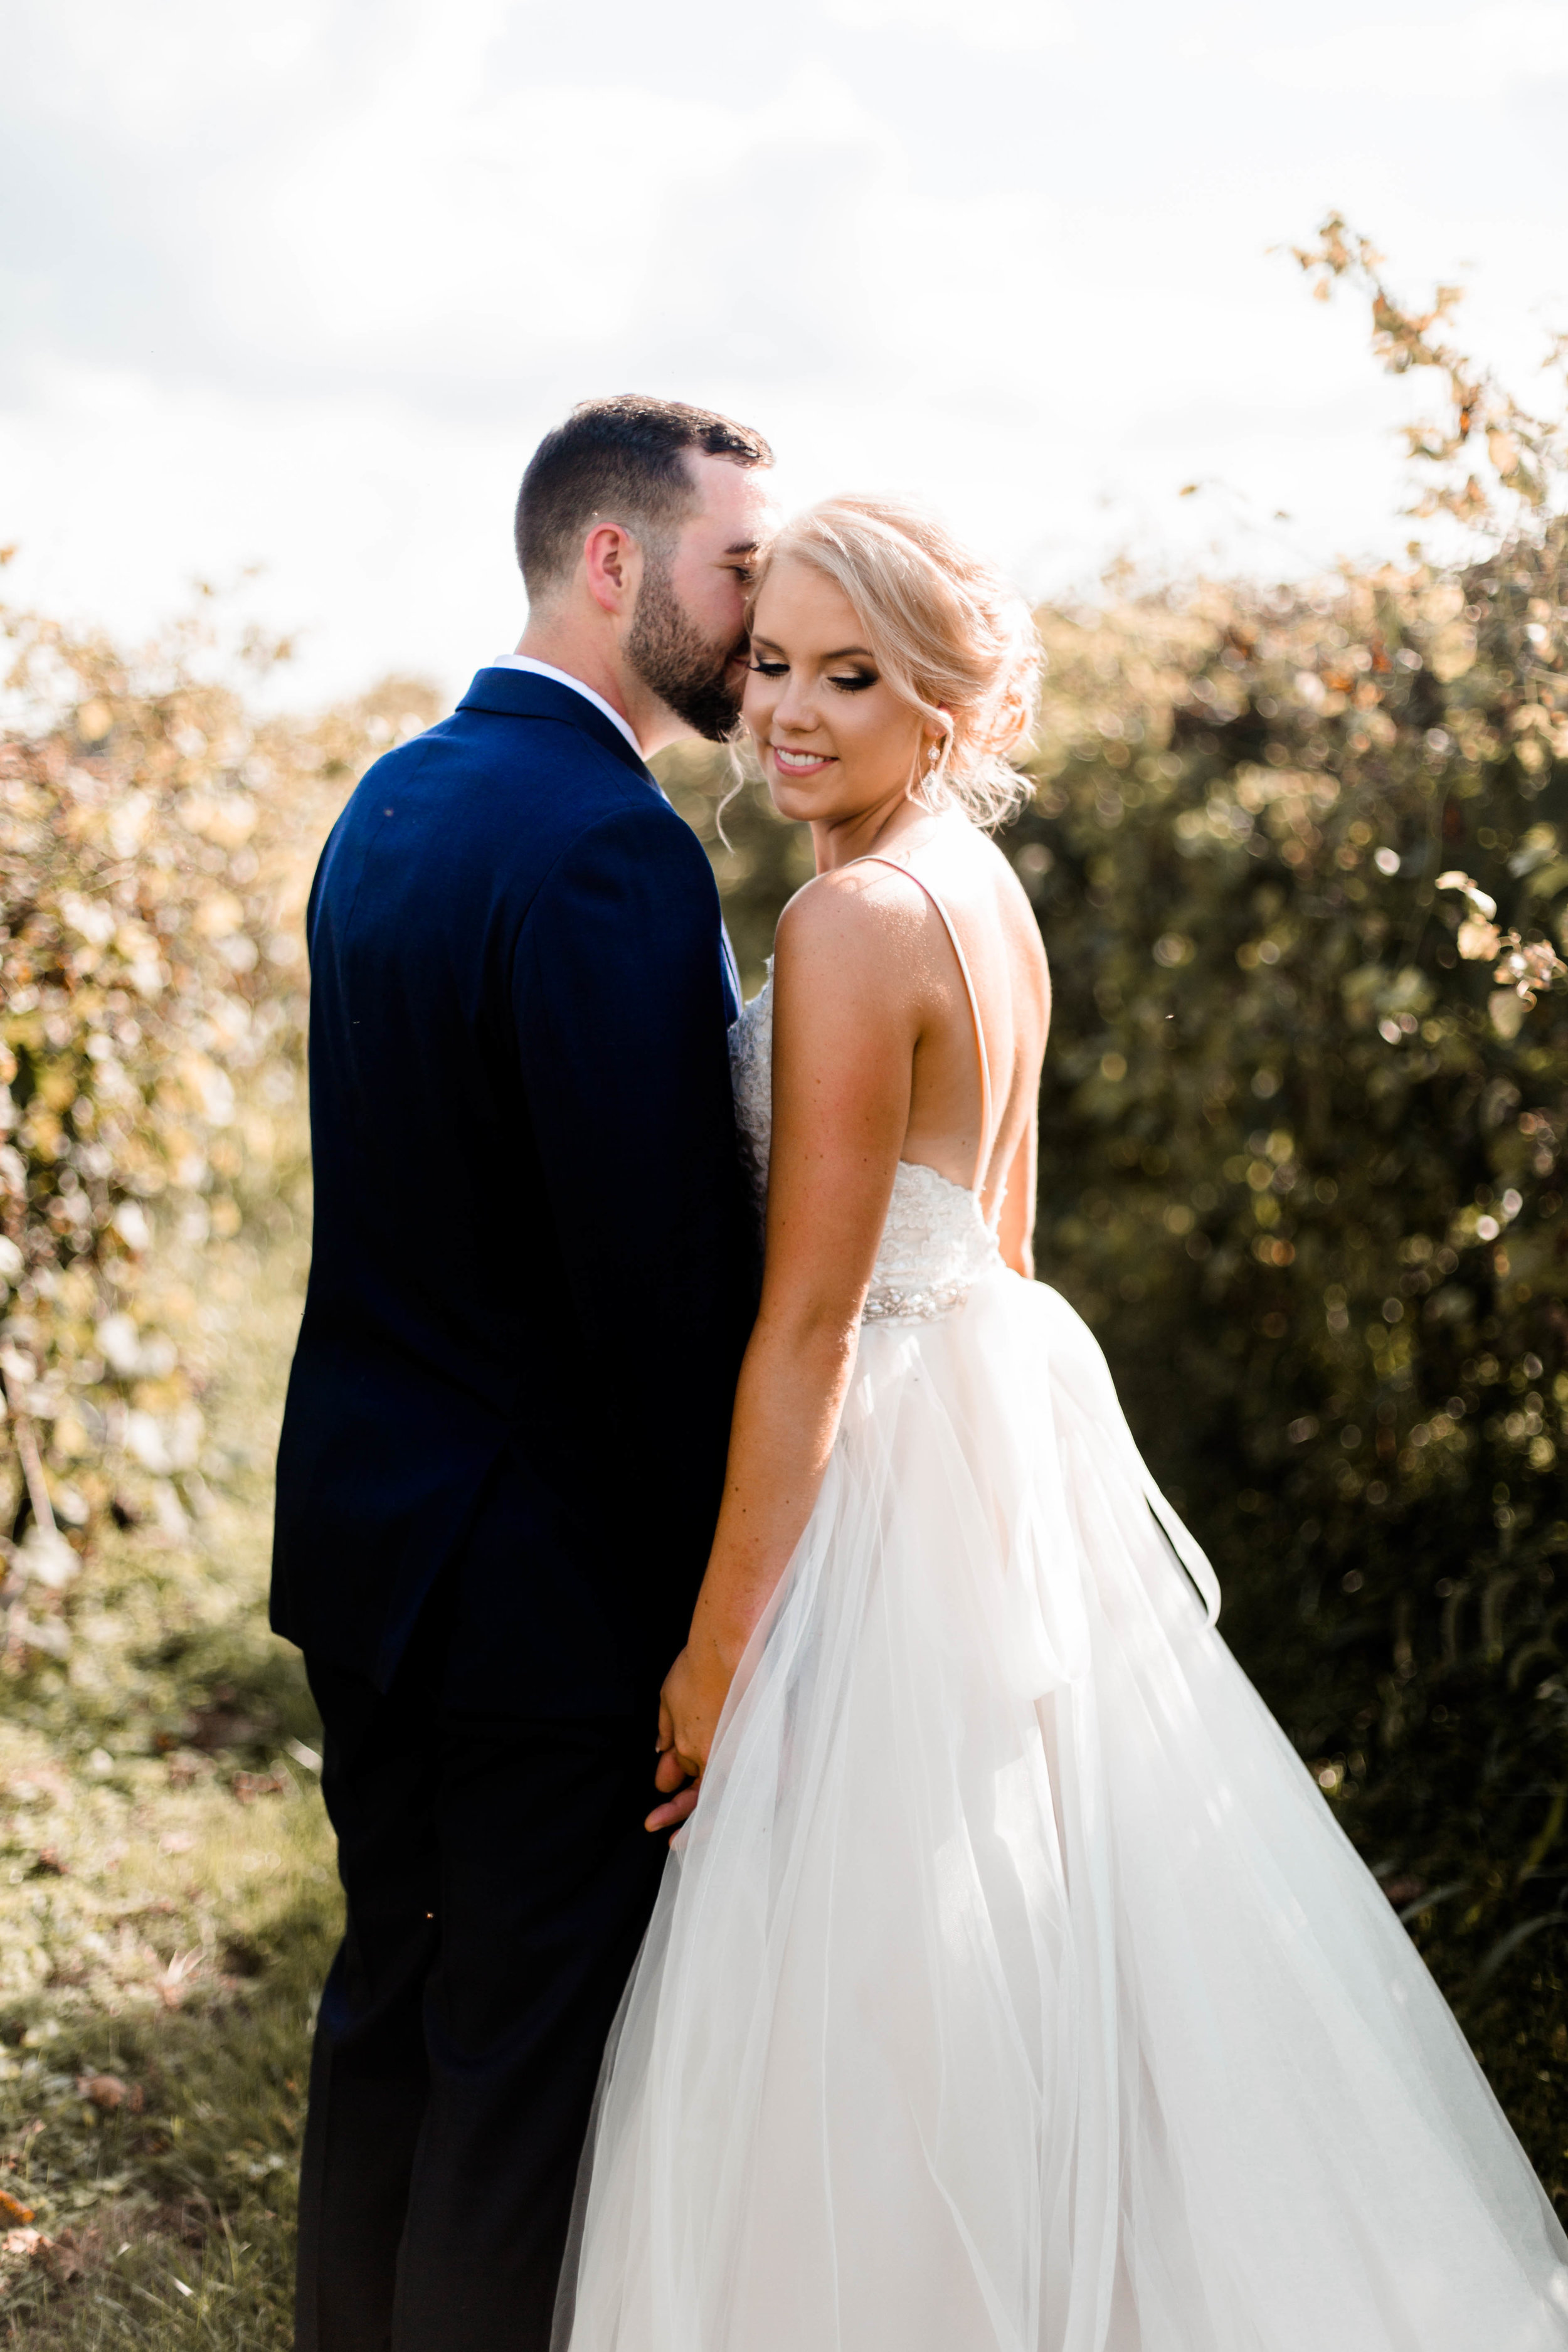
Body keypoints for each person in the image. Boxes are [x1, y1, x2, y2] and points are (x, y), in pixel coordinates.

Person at [554, 495, 1568, 2351]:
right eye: (769, 661)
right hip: (989, 1430)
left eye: (847, 676)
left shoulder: (851, 914)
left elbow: (805, 1328)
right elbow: (999, 1241)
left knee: (871, 1971)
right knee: (1016, 1925)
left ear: (943, 699)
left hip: (880, 1458)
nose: (788, 710)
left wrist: (712, 1655)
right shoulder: (976, 888)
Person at [270, 395, 775, 2352]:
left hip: (370, 1542)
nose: (758, 614)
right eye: (739, 570)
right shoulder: (603, 851)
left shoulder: (391, 793)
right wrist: (707, 1614)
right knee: (513, 2076)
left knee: (386, 2009)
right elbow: (645, 1292)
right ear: (612, 561)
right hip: (538, 1592)